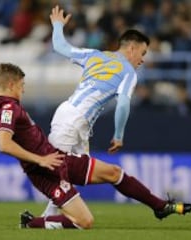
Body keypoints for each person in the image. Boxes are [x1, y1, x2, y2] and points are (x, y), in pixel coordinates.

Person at [0, 63, 191, 230]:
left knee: (114, 173)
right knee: (86, 222)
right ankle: (32, 223)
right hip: (44, 169)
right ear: (10, 84)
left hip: (56, 158)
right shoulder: (8, 107)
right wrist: (40, 160)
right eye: (22, 85)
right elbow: (5, 145)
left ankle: (159, 206)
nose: (23, 89)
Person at [42, 5, 150, 216]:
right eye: (143, 53)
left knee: (73, 174)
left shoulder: (94, 55)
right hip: (74, 120)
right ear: (132, 48)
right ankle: (44, 221)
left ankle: (49, 220)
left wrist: (57, 25)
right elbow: (123, 104)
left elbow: (60, 46)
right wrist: (118, 135)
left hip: (73, 118)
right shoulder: (128, 72)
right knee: (60, 173)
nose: (143, 59)